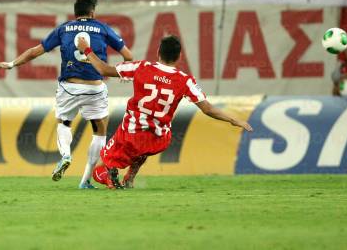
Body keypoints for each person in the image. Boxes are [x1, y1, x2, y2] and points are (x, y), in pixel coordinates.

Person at [76, 35, 253, 189]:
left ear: (158, 51)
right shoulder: (185, 80)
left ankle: (111, 181)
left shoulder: (141, 67)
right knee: (144, 147)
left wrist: (86, 49)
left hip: (130, 135)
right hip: (159, 138)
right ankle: (129, 178)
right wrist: (233, 120)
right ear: (179, 56)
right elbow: (207, 108)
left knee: (99, 171)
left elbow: (103, 69)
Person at [0, 0, 133, 189]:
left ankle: (66, 155)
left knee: (64, 123)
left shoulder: (64, 28)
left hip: (70, 86)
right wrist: (124, 70)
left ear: (75, 13)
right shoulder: (103, 28)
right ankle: (85, 182)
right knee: (99, 132)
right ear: (93, 12)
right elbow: (128, 55)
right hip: (95, 88)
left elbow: (36, 51)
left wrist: (11, 64)